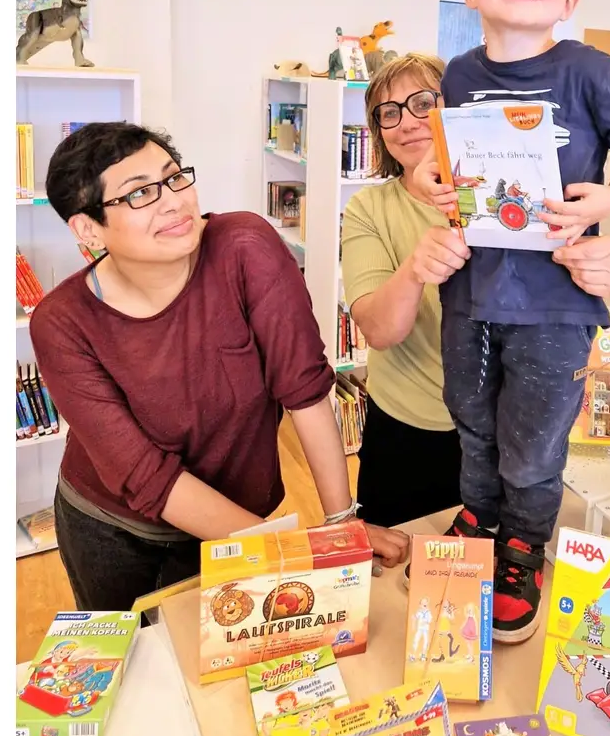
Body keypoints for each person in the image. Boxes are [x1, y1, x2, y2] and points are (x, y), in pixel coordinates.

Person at [411, 0, 610, 643]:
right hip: (473, 289)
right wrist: (432, 173)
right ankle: (479, 518)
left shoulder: (587, 70)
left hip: (555, 299)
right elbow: (446, 150)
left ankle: (524, 544)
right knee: (471, 417)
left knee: (534, 439)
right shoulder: (457, 74)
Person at [28, 122, 409, 613]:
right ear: (87, 227)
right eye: (139, 193)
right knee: (141, 670)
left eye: (174, 178)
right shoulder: (62, 322)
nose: (172, 201)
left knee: (234, 663)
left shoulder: (243, 246)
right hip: (112, 532)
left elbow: (305, 386)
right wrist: (291, 552)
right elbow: (146, 476)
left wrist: (340, 523)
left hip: (240, 513)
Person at [340, 53, 610, 530]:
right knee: (403, 573)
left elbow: (593, 286)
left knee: (506, 561)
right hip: (410, 431)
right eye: (388, 113)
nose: (407, 123)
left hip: (510, 428)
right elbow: (378, 330)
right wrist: (415, 270)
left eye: (424, 102)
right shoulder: (369, 208)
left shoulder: (523, 190)